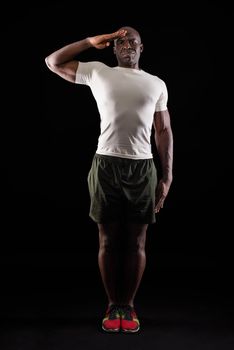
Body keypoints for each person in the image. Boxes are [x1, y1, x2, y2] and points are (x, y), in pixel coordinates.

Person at [45, 26, 173, 333]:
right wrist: (91, 41)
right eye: (120, 42)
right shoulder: (99, 72)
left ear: (142, 48)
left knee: (136, 241)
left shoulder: (156, 84)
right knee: (109, 239)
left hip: (142, 167)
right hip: (106, 164)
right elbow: (53, 61)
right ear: (113, 49)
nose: (127, 45)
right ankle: (112, 303)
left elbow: (163, 130)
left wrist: (166, 177)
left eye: (133, 42)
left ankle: (128, 306)